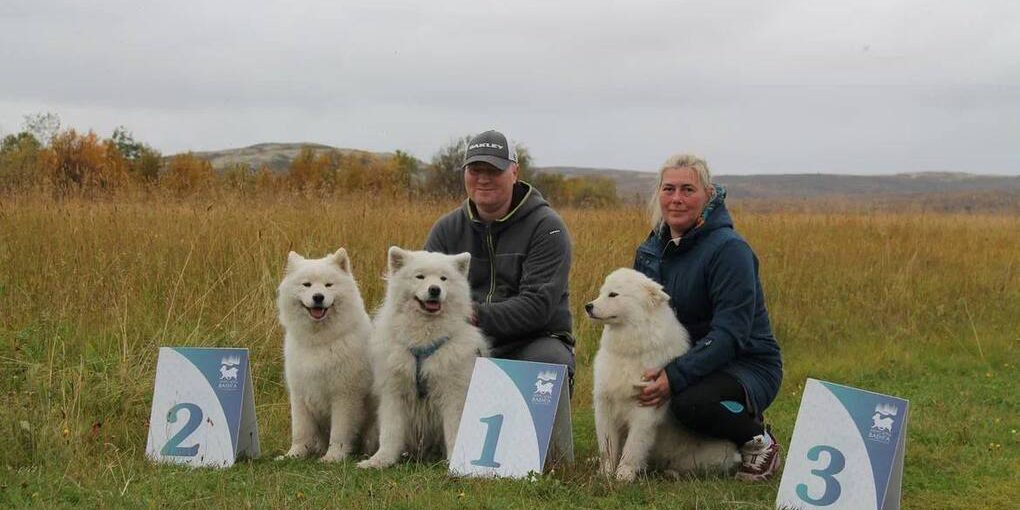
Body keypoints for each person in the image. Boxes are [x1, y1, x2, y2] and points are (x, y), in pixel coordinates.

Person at [633, 153, 783, 481]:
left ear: (708, 195)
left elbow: (731, 334)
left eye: (688, 190)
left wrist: (674, 376)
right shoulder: (651, 249)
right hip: (685, 357)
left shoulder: (730, 250)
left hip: (744, 363)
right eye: (669, 189)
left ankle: (757, 439)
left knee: (689, 403)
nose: (676, 198)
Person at [424, 130, 576, 391]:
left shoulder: (547, 228)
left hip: (532, 340)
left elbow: (537, 307)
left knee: (548, 363)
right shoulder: (447, 229)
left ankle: (542, 419)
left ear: (514, 172)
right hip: (462, 337)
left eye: (493, 170)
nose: (483, 179)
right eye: (475, 170)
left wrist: (470, 313)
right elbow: (422, 290)